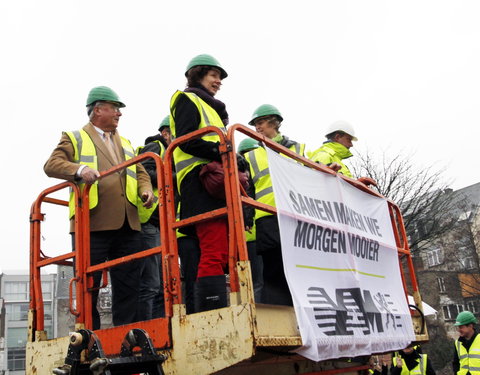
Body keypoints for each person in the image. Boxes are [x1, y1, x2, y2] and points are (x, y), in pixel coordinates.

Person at [44, 86, 154, 329]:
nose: (119, 114)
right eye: (115, 108)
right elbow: (52, 164)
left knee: (129, 284)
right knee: (88, 285)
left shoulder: (125, 142)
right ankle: (90, 338)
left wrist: (146, 189)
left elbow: (141, 171)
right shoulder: (75, 137)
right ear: (97, 110)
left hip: (128, 223)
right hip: (91, 223)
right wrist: (80, 170)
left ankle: (127, 335)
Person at [170, 54, 232, 312]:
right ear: (198, 74)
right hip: (200, 185)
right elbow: (186, 140)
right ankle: (211, 315)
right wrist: (223, 152)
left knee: (220, 250)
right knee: (213, 250)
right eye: (213, 75)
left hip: (214, 184)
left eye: (219, 77)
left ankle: (211, 310)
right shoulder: (187, 99)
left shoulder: (213, 108)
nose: (218, 81)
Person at [244, 104, 305, 305]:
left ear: (274, 122)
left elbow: (313, 174)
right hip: (266, 219)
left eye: (260, 122)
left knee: (298, 268)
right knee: (272, 272)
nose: (257, 128)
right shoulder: (251, 156)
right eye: (255, 125)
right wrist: (247, 216)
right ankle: (278, 316)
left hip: (294, 216)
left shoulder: (297, 148)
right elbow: (248, 191)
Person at [135, 121, 170, 320]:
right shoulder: (156, 147)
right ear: (165, 133)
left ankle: (158, 326)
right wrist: (174, 176)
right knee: (151, 283)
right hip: (148, 220)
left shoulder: (169, 152)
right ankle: (147, 328)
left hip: (159, 223)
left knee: (161, 283)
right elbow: (145, 173)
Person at [237, 138, 263, 302]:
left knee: (248, 282)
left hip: (245, 237)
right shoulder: (247, 178)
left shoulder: (237, 175)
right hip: (253, 235)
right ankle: (260, 311)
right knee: (258, 281)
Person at [452, 311, 480, 375]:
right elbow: (456, 363)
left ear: (470, 326)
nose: (459, 330)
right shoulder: (458, 343)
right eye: (458, 327)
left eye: (461, 327)